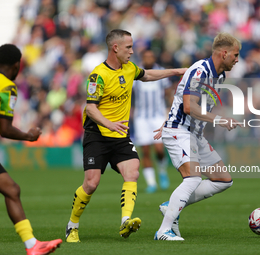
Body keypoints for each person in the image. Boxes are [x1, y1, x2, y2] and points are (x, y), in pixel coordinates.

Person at [65, 29, 186, 242]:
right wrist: (109, 123)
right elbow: (91, 108)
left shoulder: (129, 69)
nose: (132, 51)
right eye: (129, 47)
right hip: (98, 134)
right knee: (91, 184)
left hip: (120, 135)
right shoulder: (98, 75)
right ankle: (72, 225)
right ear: (116, 48)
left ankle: (125, 222)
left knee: (132, 173)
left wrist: (176, 71)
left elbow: (147, 74)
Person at [153, 33, 241, 241]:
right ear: (224, 53)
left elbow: (187, 100)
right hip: (180, 131)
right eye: (235, 55)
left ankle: (172, 206)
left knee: (223, 180)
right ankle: (163, 231)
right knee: (192, 178)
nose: (237, 59)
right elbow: (189, 106)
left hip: (195, 134)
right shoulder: (201, 71)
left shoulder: (219, 76)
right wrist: (219, 120)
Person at [0, 44, 62, 254]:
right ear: (17, 65)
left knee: (11, 189)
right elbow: (5, 129)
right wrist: (29, 136)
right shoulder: (6, 87)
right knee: (12, 189)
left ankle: (32, 245)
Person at [133, 49, 171, 193]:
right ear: (143, 58)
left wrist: (170, 110)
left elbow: (168, 93)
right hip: (141, 117)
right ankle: (151, 183)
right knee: (145, 151)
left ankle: (162, 170)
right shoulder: (136, 72)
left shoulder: (161, 72)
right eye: (146, 56)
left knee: (159, 149)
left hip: (157, 116)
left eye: (151, 56)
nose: (148, 58)